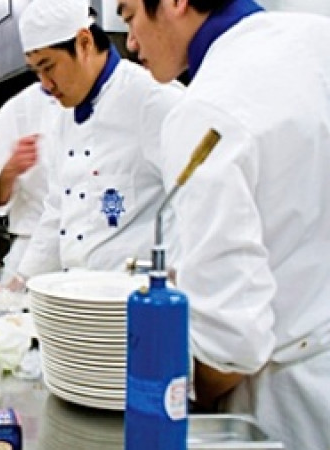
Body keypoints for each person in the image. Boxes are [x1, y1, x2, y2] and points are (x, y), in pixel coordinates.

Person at [116, 0, 330, 447]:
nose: (131, 42)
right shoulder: (317, 39)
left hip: (288, 407)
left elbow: (231, 347)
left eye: (129, 14)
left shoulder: (204, 111)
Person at [8, 0, 183, 286]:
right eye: (36, 72)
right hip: (77, 304)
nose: (46, 85)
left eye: (48, 67)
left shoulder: (154, 102)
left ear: (84, 43)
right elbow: (58, 209)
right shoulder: (64, 115)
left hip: (136, 305)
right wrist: (19, 283)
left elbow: (200, 209)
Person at [0, 83, 60, 288]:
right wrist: (10, 169)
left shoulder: (116, 99)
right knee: (10, 313)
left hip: (95, 254)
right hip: (30, 240)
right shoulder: (18, 110)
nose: (48, 81)